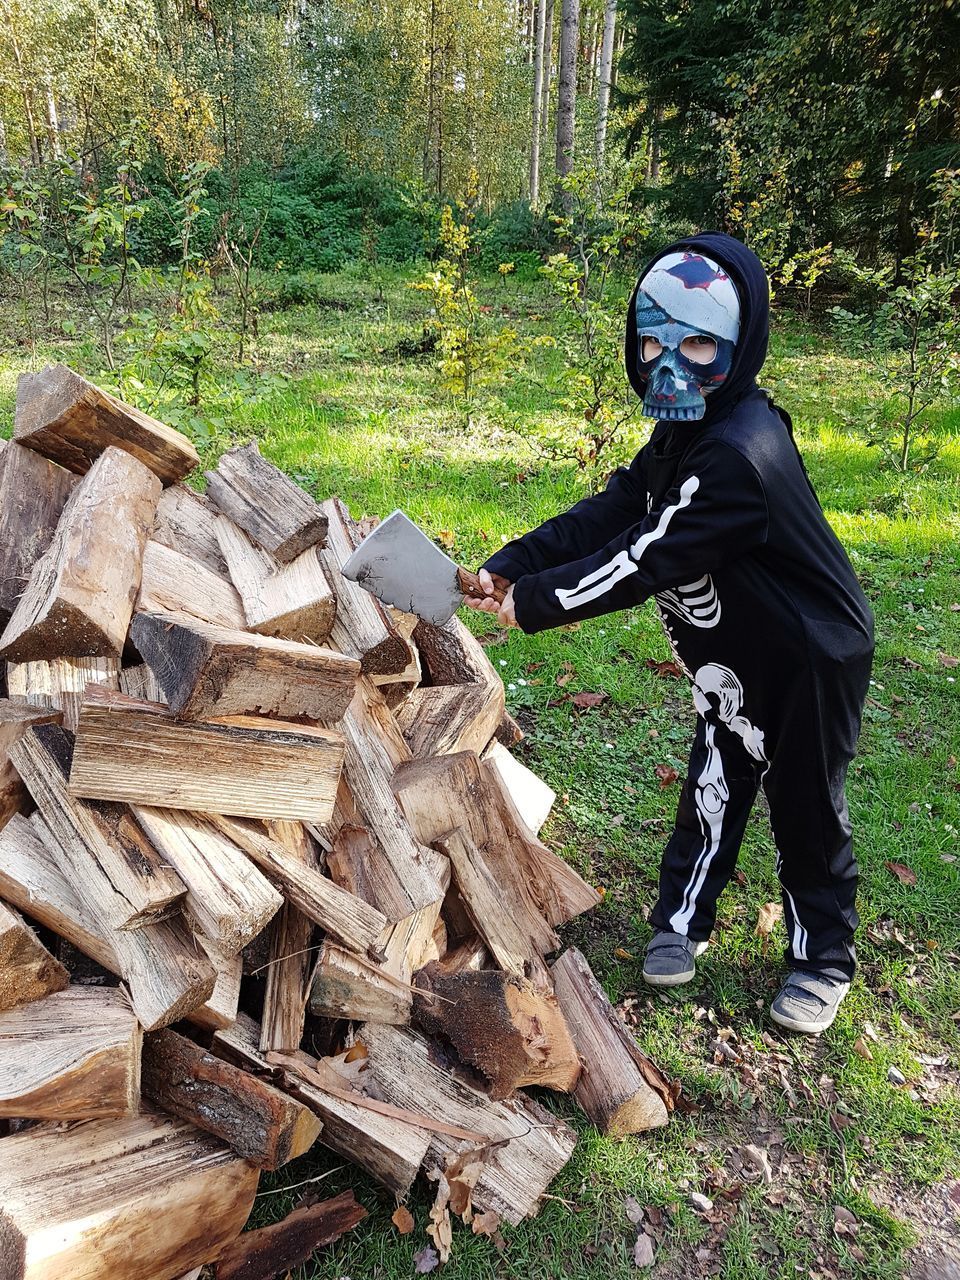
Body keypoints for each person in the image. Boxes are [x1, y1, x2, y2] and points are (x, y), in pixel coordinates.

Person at [467, 232, 874, 1035]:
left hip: (810, 659)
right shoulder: (682, 438)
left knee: (804, 808)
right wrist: (514, 564)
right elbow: (615, 511)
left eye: (696, 344)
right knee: (715, 784)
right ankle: (682, 921)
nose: (669, 364)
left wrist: (539, 603)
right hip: (734, 653)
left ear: (737, 345)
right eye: (652, 340)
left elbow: (641, 559)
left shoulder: (738, 455)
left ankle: (822, 956)